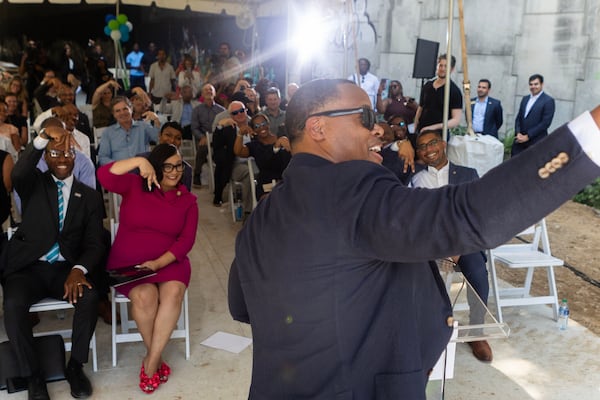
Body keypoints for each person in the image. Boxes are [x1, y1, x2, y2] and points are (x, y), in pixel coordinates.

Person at [227, 78, 600, 399]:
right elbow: (471, 214)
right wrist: (589, 138)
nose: (379, 130)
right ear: (318, 128)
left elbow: (242, 306)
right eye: (365, 117)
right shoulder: (351, 189)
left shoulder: (262, 217)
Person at [1, 125, 105, 400]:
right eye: (55, 153)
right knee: (12, 304)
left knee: (90, 296)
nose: (62, 158)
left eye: (68, 153)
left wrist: (78, 269)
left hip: (65, 270)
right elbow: (18, 171)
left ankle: (75, 366)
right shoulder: (32, 182)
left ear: (76, 157)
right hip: (28, 268)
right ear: (46, 157)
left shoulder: (90, 196)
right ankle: (34, 376)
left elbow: (95, 243)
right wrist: (43, 138)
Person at [97, 143, 198, 394]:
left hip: (168, 262)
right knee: (145, 296)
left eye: (178, 166)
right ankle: (157, 357)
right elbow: (103, 175)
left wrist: (158, 263)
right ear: (155, 166)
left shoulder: (188, 200)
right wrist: (137, 162)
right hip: (130, 264)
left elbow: (186, 241)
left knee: (173, 292)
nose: (175, 172)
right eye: (168, 166)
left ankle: (151, 362)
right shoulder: (134, 187)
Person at [410, 129, 493, 362]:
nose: (428, 150)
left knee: (476, 269)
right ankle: (430, 327)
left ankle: (477, 332)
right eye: (422, 146)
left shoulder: (467, 174)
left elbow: (476, 214)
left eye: (433, 143)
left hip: (462, 241)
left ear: (443, 144)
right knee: (413, 269)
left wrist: (456, 246)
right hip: (426, 243)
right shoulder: (413, 177)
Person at [233, 114, 291, 200]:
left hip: (287, 181)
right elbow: (238, 151)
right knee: (272, 200)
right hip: (267, 184)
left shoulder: (282, 139)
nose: (261, 128)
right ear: (253, 130)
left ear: (268, 124)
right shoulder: (255, 146)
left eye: (264, 124)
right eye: (257, 126)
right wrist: (240, 134)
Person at [97, 96, 160, 166]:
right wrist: (120, 166)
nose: (122, 113)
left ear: (131, 109)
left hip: (142, 170)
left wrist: (156, 120)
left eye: (125, 109)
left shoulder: (143, 126)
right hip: (119, 171)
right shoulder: (108, 132)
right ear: (114, 114)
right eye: (118, 111)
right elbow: (103, 158)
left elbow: (159, 139)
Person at [414, 54, 462, 139]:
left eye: (446, 66)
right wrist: (415, 126)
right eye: (441, 65)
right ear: (437, 66)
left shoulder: (454, 91)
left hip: (439, 135)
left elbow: (456, 120)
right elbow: (420, 108)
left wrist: (433, 127)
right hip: (421, 131)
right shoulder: (427, 86)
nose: (442, 69)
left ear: (452, 69)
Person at [512, 73, 556, 156]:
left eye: (536, 84)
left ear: (542, 84)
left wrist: (528, 136)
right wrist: (518, 133)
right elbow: (519, 118)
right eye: (531, 84)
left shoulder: (548, 101)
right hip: (519, 142)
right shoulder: (525, 99)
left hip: (536, 143)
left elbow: (545, 123)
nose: (533, 87)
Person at [191, 83, 225, 186]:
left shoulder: (222, 110)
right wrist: (202, 137)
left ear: (214, 93)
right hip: (202, 137)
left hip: (217, 137)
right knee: (203, 147)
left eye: (211, 90)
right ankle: (197, 173)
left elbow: (223, 127)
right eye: (206, 90)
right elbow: (194, 127)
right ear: (202, 94)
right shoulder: (197, 110)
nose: (208, 91)